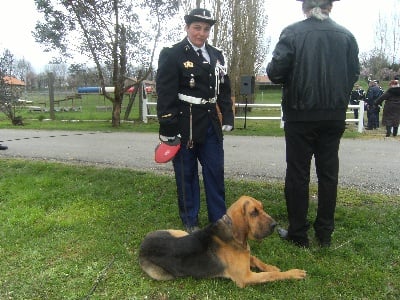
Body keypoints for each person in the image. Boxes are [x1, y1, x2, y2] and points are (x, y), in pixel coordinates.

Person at [266, 0, 359, 248]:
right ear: (330, 7)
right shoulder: (346, 36)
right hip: (333, 115)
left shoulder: (292, 33)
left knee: (298, 174)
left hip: (300, 114)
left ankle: (298, 232)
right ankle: (325, 233)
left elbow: (275, 73)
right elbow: (353, 73)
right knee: (328, 174)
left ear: (304, 8)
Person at [156, 8, 234, 233]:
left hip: (210, 123)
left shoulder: (217, 54)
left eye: (206, 29)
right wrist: (168, 128)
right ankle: (191, 222)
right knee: (186, 173)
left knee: (215, 172)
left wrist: (227, 114)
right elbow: (165, 93)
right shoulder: (173, 54)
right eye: (197, 28)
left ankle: (219, 221)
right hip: (184, 123)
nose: (201, 33)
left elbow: (224, 87)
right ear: (187, 27)